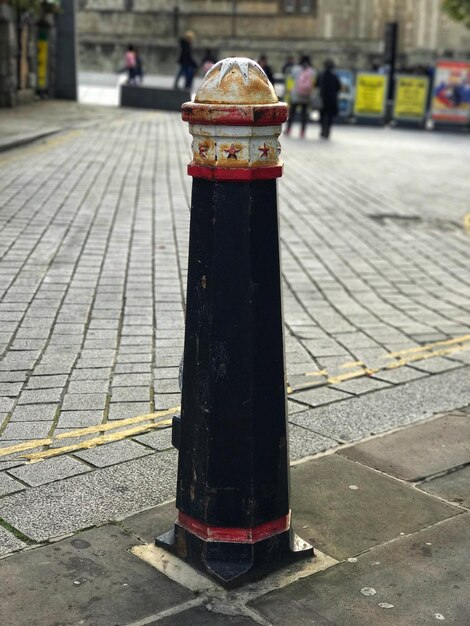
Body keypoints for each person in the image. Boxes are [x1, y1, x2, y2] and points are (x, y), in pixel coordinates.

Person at [285, 55, 315, 138]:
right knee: (304, 114)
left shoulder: (296, 69)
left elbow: (291, 77)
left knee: (292, 113)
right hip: (306, 96)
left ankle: (288, 129)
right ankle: (302, 132)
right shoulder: (311, 71)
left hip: (296, 95)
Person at [316, 59, 341, 139]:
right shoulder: (334, 76)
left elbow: (316, 85)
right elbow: (338, 87)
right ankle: (328, 130)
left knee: (322, 115)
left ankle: (323, 129)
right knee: (330, 116)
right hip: (332, 99)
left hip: (323, 98)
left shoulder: (321, 75)